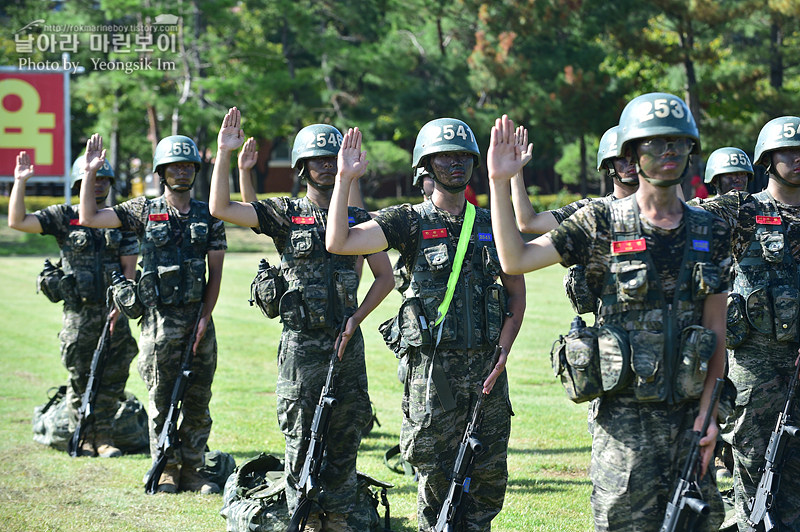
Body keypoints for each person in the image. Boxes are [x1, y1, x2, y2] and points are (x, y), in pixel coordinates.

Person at [487, 93, 729, 532]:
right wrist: (500, 181)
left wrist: (709, 414)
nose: (668, 153)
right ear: (633, 154)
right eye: (655, 144)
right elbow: (515, 259)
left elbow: (716, 330)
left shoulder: (710, 228)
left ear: (691, 149)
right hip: (624, 429)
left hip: (690, 425)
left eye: (677, 142)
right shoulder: (600, 221)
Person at [326, 118, 525, 531]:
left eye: (463, 156)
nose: (455, 163)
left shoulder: (490, 224)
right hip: (434, 381)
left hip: (487, 376)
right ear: (426, 166)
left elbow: (516, 295)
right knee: (436, 485)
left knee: (486, 483)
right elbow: (339, 242)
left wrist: (503, 351)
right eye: (444, 157)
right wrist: (344, 180)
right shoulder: (409, 221)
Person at [209, 108, 393, 530]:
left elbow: (385, 277)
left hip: (346, 343)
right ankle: (306, 515)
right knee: (301, 433)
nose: (328, 166)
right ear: (302, 167)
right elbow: (221, 207)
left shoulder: (359, 218)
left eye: (334, 159)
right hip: (300, 345)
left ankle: (339, 514)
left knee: (347, 431)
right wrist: (224, 153)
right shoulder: (285, 214)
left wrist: (357, 318)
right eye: (320, 160)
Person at [78, 133, 225, 495]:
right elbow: (89, 216)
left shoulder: (210, 215)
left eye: (188, 165)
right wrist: (91, 170)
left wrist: (206, 316)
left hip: (198, 322)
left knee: (197, 399)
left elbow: (216, 271)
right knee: (161, 400)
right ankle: (167, 469)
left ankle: (193, 468)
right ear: (161, 171)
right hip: (157, 324)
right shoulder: (144, 210)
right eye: (174, 165)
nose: (181, 171)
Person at [694, 116, 800, 531]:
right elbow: (672, 219)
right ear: (767, 159)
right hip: (756, 368)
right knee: (757, 471)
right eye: (787, 151)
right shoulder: (742, 209)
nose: (796, 158)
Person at [8, 149, 139, 458]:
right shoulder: (63, 217)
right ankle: (82, 437)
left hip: (113, 313)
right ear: (77, 181)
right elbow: (17, 221)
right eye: (90, 178)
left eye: (103, 179)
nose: (97, 185)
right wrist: (20, 182)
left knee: (114, 375)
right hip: (79, 316)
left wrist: (119, 310)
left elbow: (129, 269)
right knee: (80, 378)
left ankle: (104, 437)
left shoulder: (121, 219)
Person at [510, 125, 639, 235]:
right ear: (607, 164)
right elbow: (529, 223)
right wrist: (516, 171)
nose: (631, 162)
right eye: (622, 157)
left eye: (636, 157)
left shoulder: (658, 209)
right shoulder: (591, 211)